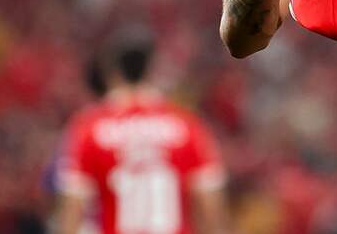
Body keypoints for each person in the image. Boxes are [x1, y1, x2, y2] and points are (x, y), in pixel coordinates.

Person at [55, 32, 228, 234]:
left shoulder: (89, 128)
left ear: (112, 72)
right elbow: (211, 209)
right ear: (152, 70)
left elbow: (72, 209)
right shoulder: (188, 126)